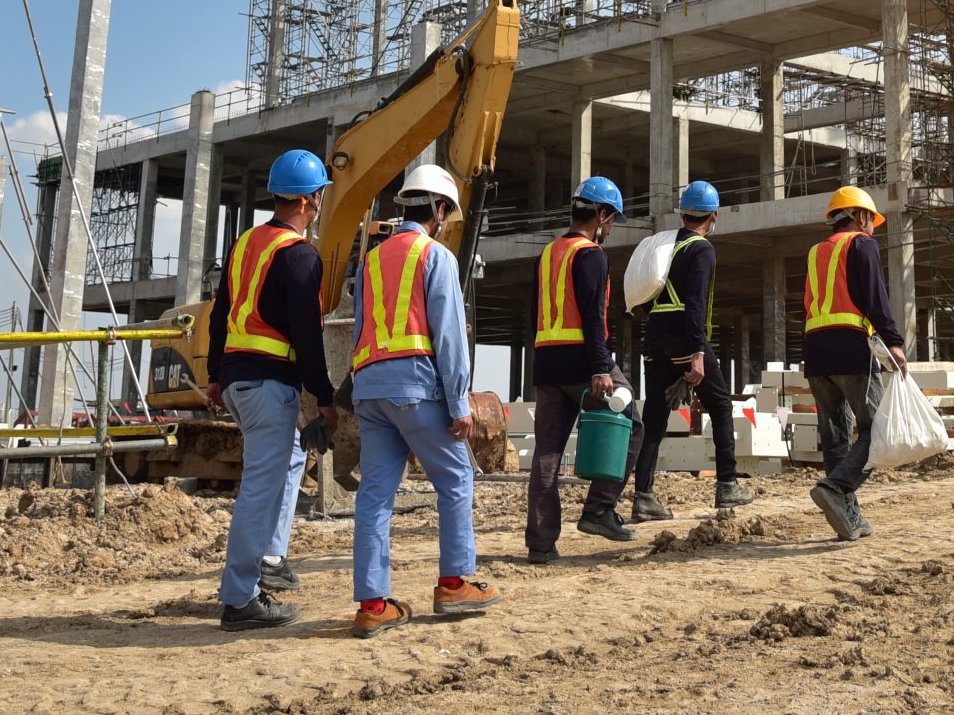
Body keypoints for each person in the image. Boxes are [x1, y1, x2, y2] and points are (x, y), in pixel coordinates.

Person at [347, 163, 497, 636]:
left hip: (369, 388)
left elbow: (358, 329)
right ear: (437, 209)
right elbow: (450, 337)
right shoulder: (436, 257)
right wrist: (458, 405)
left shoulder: (369, 261)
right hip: (416, 386)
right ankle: (453, 584)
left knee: (374, 497)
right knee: (455, 479)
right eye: (447, 214)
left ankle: (373, 607)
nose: (446, 222)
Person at [205, 148, 340, 630]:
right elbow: (307, 333)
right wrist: (324, 398)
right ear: (308, 201)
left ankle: (268, 561)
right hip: (267, 383)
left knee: (284, 463)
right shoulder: (300, 255)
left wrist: (215, 376)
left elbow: (221, 314)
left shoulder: (245, 244)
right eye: (320, 194)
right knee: (261, 488)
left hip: (239, 380)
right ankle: (240, 597)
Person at [523, 175, 637, 563]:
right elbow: (593, 316)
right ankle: (599, 509)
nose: (611, 227)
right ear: (601, 214)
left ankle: (540, 545)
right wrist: (601, 367)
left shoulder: (549, 253)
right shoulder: (591, 255)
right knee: (632, 422)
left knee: (547, 454)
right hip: (583, 361)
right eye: (612, 219)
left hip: (547, 363)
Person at [630, 180, 750, 519]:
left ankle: (643, 497)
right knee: (721, 405)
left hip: (653, 335)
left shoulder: (664, 247)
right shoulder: (702, 249)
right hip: (685, 336)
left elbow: (644, 296)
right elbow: (696, 302)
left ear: (683, 213)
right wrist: (697, 352)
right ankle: (727, 484)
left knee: (655, 414)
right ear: (714, 216)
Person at [800, 186, 907, 541]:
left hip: (815, 350)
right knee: (876, 431)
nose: (873, 227)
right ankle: (835, 488)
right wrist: (894, 342)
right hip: (849, 346)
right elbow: (876, 296)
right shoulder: (862, 245)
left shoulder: (816, 250)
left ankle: (849, 517)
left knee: (836, 439)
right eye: (871, 220)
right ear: (860, 216)